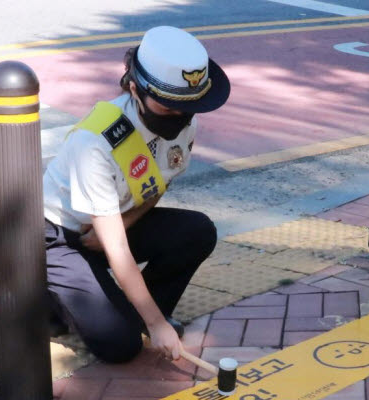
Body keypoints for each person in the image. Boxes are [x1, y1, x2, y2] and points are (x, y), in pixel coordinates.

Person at [42, 25, 229, 364]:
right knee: (121, 347)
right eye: (168, 105)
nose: (180, 116)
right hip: (62, 238)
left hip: (110, 229)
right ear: (133, 88)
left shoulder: (185, 121)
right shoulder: (96, 142)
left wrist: (128, 220)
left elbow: (160, 182)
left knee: (197, 232)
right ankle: (52, 299)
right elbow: (116, 249)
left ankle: (130, 310)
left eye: (187, 106)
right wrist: (156, 324)